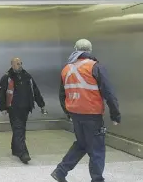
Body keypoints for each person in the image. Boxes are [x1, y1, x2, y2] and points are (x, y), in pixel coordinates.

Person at [51, 39, 121, 182]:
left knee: (82, 144)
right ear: (89, 50)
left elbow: (61, 94)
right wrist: (115, 114)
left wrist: (68, 113)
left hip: (76, 115)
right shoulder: (95, 67)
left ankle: (60, 171)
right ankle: (97, 179)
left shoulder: (66, 68)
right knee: (97, 148)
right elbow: (109, 93)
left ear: (75, 49)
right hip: (92, 115)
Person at [0, 57, 47, 164]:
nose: (20, 65)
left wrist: (41, 104)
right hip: (13, 108)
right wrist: (3, 108)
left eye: (20, 63)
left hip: (26, 108)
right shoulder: (7, 78)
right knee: (19, 129)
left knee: (20, 129)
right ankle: (23, 153)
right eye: (17, 64)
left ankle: (15, 149)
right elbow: (1, 94)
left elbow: (35, 90)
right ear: (12, 65)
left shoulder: (27, 76)